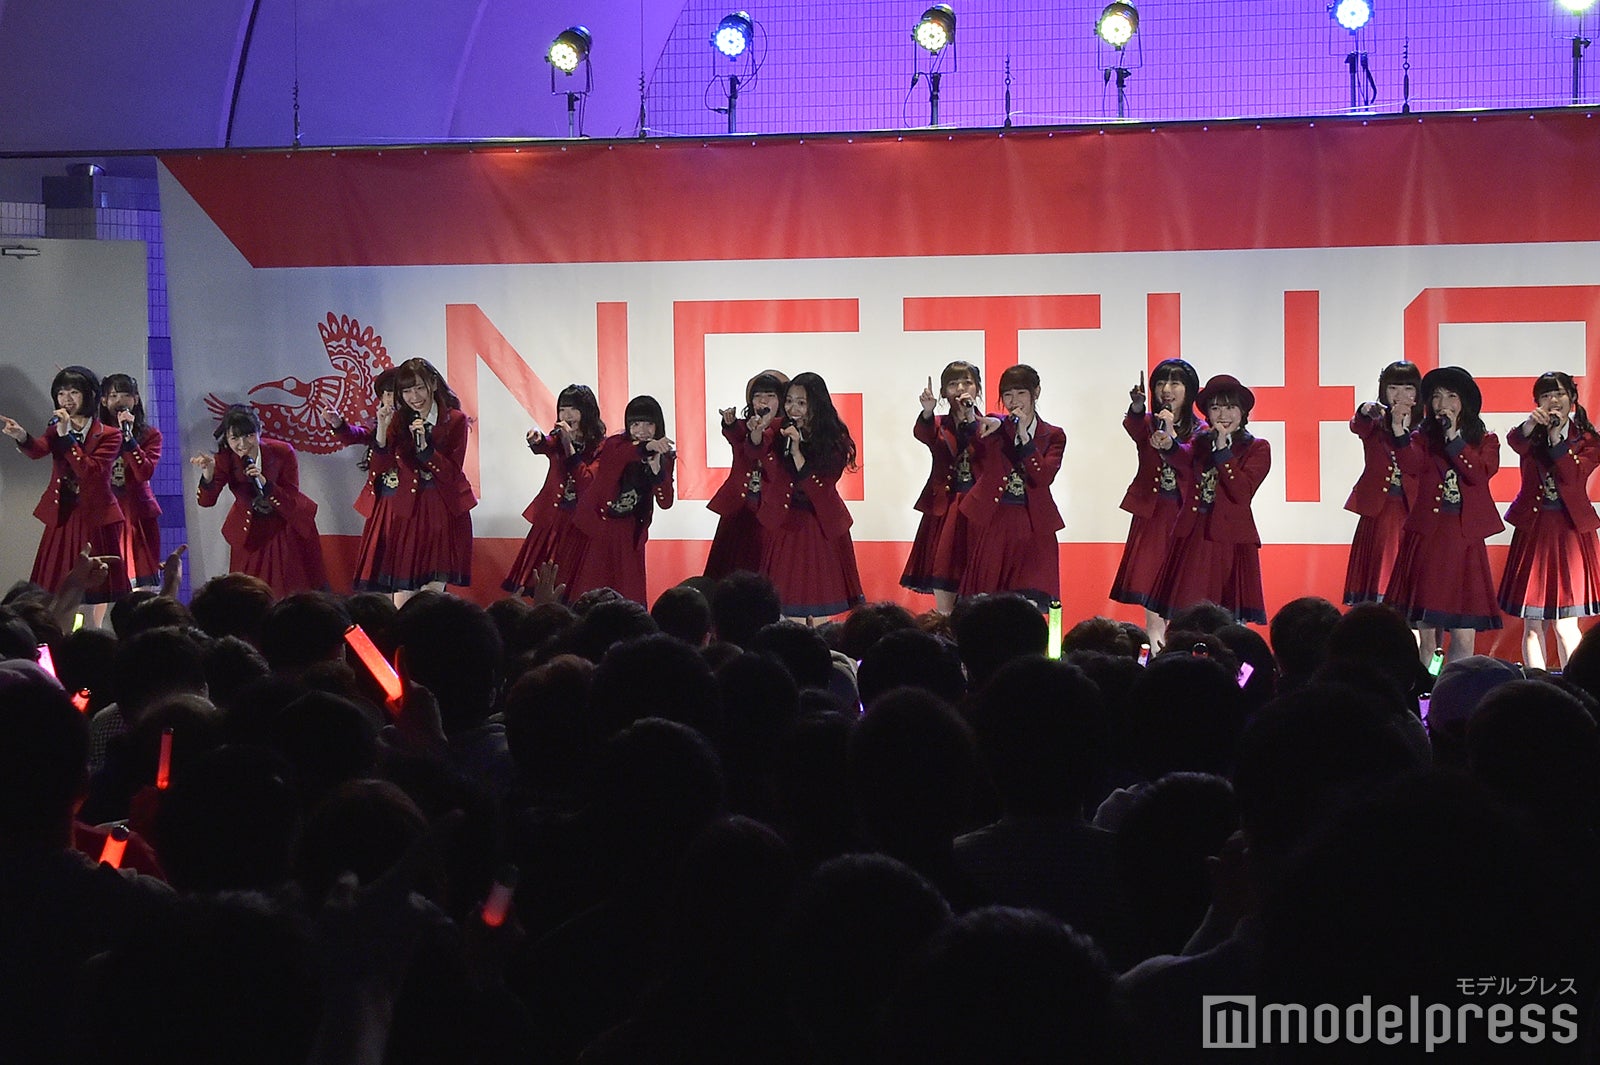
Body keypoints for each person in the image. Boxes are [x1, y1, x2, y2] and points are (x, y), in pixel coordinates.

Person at [1384, 365, 1502, 664]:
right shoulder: (1422, 438)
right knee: (1428, 635)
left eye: (1451, 396)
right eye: (1436, 396)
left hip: (1464, 541)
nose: (1442, 403)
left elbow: (1478, 474)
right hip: (1429, 539)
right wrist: (1398, 430)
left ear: (1465, 402)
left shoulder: (1486, 440)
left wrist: (1454, 439)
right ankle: (1429, 685)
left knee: (1463, 634)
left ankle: (1456, 684)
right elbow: (1410, 465)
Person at [1, 365, 128, 622]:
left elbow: (90, 471)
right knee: (54, 585)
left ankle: (92, 634)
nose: (66, 399)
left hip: (95, 517)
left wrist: (66, 437)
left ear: (89, 395)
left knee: (96, 588)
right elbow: (39, 449)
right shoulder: (57, 426)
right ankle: (58, 631)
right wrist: (22, 436)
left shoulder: (110, 435)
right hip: (63, 514)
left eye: (73, 392)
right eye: (61, 393)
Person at [1146, 373, 1271, 625]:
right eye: (1215, 408)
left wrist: (1223, 451)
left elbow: (1242, 493)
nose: (1223, 415)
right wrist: (1169, 444)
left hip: (1230, 540)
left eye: (1230, 407)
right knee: (1188, 612)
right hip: (1195, 534)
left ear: (1243, 411)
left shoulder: (1257, 447)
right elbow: (1183, 458)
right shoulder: (1201, 441)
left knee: (1226, 617)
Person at [1497, 371, 1600, 669]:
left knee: (1566, 625)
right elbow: (1515, 441)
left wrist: (1557, 439)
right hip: (1535, 529)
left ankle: (1573, 683)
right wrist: (1532, 425)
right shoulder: (1531, 434)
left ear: (1572, 398)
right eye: (1545, 395)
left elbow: (1572, 475)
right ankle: (1536, 683)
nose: (1553, 400)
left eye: (1559, 394)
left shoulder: (1589, 440)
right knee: (1532, 624)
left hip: (1570, 533)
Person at [755, 371, 864, 619]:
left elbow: (820, 489)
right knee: (779, 609)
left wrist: (797, 453)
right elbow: (754, 449)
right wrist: (755, 430)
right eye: (789, 401)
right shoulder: (779, 430)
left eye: (801, 403)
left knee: (816, 608)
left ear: (816, 405)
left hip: (818, 527)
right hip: (785, 525)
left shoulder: (835, 440)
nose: (793, 409)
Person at [957, 364, 1065, 612]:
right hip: (997, 522)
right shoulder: (996, 425)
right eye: (1008, 395)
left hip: (1034, 525)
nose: (1014, 401)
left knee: (1029, 605)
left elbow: (1044, 476)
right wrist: (971, 416)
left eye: (1021, 393)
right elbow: (978, 442)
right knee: (987, 605)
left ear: (1036, 392)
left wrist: (1025, 439)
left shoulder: (1053, 435)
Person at [1110, 358, 1202, 648]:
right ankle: (1157, 659)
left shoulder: (1201, 430)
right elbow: (1135, 426)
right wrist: (1138, 406)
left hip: (1184, 518)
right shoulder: (1149, 423)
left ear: (1190, 390)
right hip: (1152, 516)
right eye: (1161, 383)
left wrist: (1172, 434)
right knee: (1151, 598)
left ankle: (1181, 655)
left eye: (1175, 383)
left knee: (1184, 597)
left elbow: (1191, 462)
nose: (1167, 389)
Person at [192, 404, 328, 596]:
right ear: (227, 439)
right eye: (234, 438)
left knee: (289, 586)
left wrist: (266, 484)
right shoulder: (225, 458)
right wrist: (208, 474)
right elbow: (207, 501)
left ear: (259, 431)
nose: (242, 444)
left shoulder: (282, 452)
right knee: (248, 591)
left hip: (283, 524)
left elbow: (291, 497)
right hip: (250, 529)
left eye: (248, 435)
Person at [379, 358, 475, 604]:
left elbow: (452, 472)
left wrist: (425, 449)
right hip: (409, 511)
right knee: (402, 596)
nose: (414, 397)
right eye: (407, 391)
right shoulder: (399, 420)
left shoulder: (455, 420)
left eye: (419, 388)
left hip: (442, 509)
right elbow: (383, 463)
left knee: (431, 594)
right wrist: (381, 428)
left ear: (433, 384)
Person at [567, 394, 675, 605]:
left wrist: (657, 471)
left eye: (648, 424)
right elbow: (625, 454)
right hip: (600, 524)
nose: (642, 430)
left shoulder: (665, 456)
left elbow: (666, 502)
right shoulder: (615, 444)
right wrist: (649, 447)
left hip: (631, 531)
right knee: (593, 589)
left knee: (628, 593)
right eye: (635, 424)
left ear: (658, 425)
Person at [503, 383, 606, 601]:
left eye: (573, 409)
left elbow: (587, 481)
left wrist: (569, 445)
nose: (566, 415)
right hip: (553, 520)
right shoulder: (558, 438)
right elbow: (546, 443)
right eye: (562, 410)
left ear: (586, 411)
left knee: (570, 587)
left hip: (579, 525)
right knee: (538, 580)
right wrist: (537, 439)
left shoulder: (600, 447)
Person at [901, 360, 982, 614]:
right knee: (943, 571)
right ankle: (945, 624)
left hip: (978, 508)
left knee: (979, 579)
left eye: (967, 382)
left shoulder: (990, 423)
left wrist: (972, 418)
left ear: (978, 389)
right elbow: (923, 434)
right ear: (944, 392)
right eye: (953, 384)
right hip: (945, 507)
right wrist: (927, 411)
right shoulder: (938, 424)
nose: (961, 389)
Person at [1341, 360, 1422, 606]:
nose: (1400, 395)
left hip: (1413, 510)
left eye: (1408, 388)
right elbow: (1358, 424)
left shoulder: (1426, 428)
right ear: (1384, 390)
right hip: (1378, 509)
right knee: (1376, 580)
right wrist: (1364, 409)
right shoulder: (1375, 423)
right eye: (1393, 388)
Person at [321, 367, 402, 597]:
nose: (391, 399)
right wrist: (338, 423)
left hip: (409, 503)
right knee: (380, 571)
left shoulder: (417, 424)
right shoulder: (380, 424)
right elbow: (357, 435)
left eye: (396, 393)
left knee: (405, 570)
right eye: (387, 394)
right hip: (383, 503)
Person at [705, 370, 786, 581]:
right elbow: (734, 433)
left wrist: (763, 430)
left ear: (781, 400)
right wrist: (729, 422)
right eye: (758, 396)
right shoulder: (744, 426)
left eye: (770, 396)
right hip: (738, 509)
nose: (763, 401)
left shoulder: (786, 431)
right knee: (727, 573)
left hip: (769, 512)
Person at [98, 373, 163, 591]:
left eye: (126, 395)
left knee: (140, 586)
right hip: (105, 513)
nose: (120, 401)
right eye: (113, 395)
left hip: (136, 513)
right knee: (101, 582)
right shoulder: (96, 434)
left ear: (135, 399)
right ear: (103, 401)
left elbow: (144, 472)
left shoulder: (150, 435)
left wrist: (129, 439)